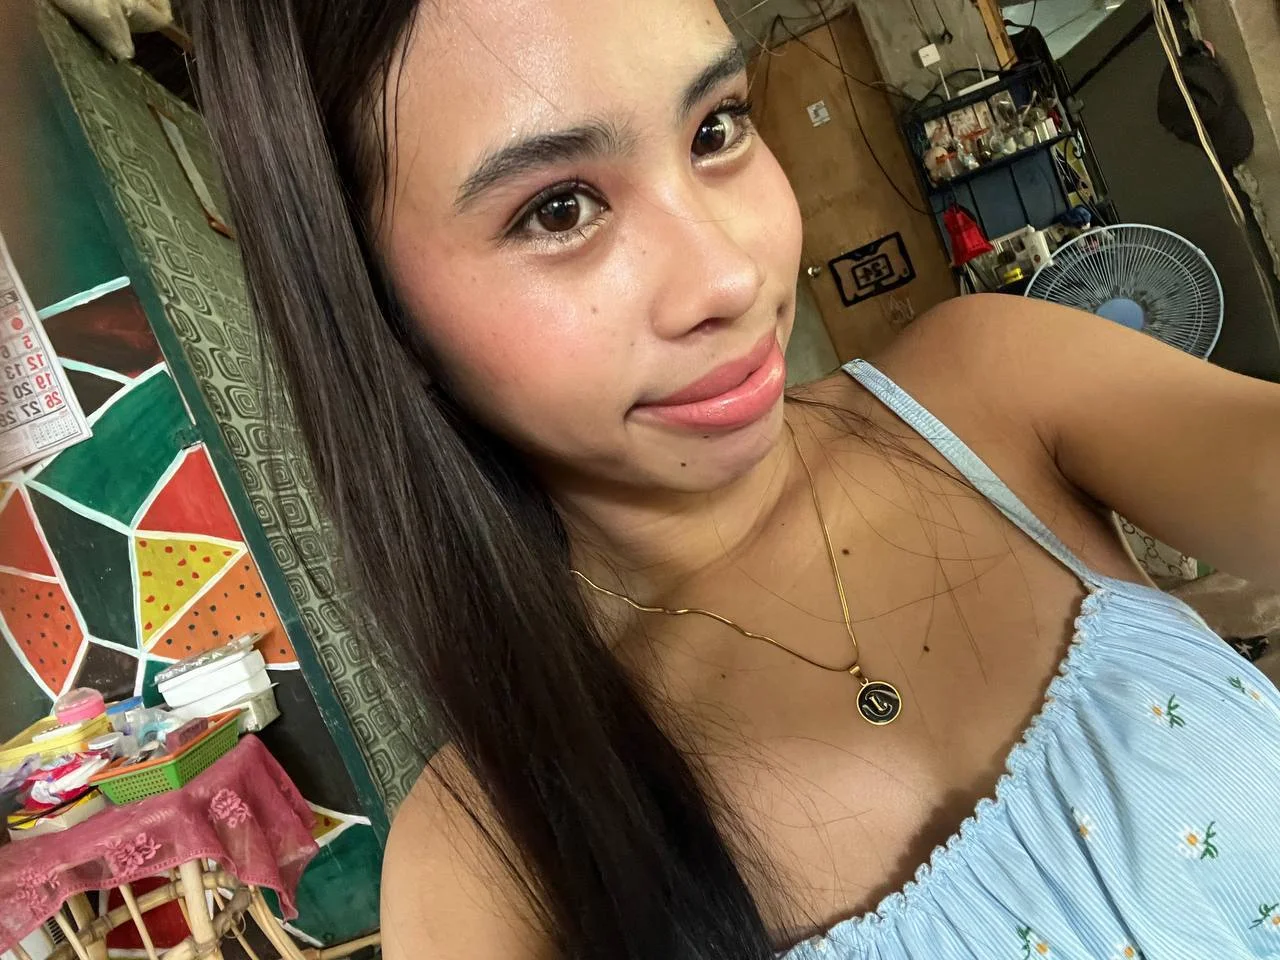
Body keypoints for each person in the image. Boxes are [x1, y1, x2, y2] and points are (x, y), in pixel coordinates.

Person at [191, 1, 1280, 957]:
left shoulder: (1000, 388)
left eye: (715, 128)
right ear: (379, 317)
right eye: (558, 209)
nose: (730, 273)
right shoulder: (488, 863)